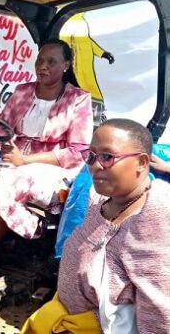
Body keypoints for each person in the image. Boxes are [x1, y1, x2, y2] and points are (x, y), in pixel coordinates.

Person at [0, 39, 93, 270]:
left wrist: (25, 160)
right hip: (15, 160)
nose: (42, 66)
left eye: (51, 62)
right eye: (40, 60)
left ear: (66, 65)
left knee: (4, 181)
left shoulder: (77, 99)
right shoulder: (23, 91)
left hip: (56, 168)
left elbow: (78, 152)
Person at [22, 119, 170, 333]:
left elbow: (160, 315)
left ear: (141, 163)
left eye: (108, 157)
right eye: (91, 156)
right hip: (58, 318)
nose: (95, 165)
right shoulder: (100, 201)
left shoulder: (151, 221)